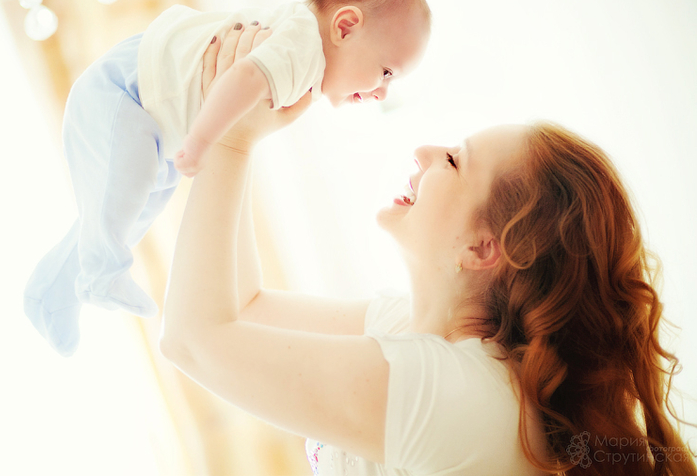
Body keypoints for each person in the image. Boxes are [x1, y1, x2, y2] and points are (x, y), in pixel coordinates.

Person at [159, 28, 697, 475]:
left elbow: (192, 341)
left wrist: (225, 135)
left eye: (455, 161)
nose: (423, 152)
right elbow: (244, 308)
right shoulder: (412, 328)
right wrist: (242, 135)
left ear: (483, 247)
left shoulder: (460, 395)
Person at [23, 0, 431, 356]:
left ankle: (53, 292)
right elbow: (244, 75)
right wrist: (201, 141)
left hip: (145, 110)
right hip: (124, 91)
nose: (382, 92)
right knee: (129, 193)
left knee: (132, 206)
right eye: (386, 72)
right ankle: (100, 274)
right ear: (345, 26)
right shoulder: (304, 46)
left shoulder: (303, 47)